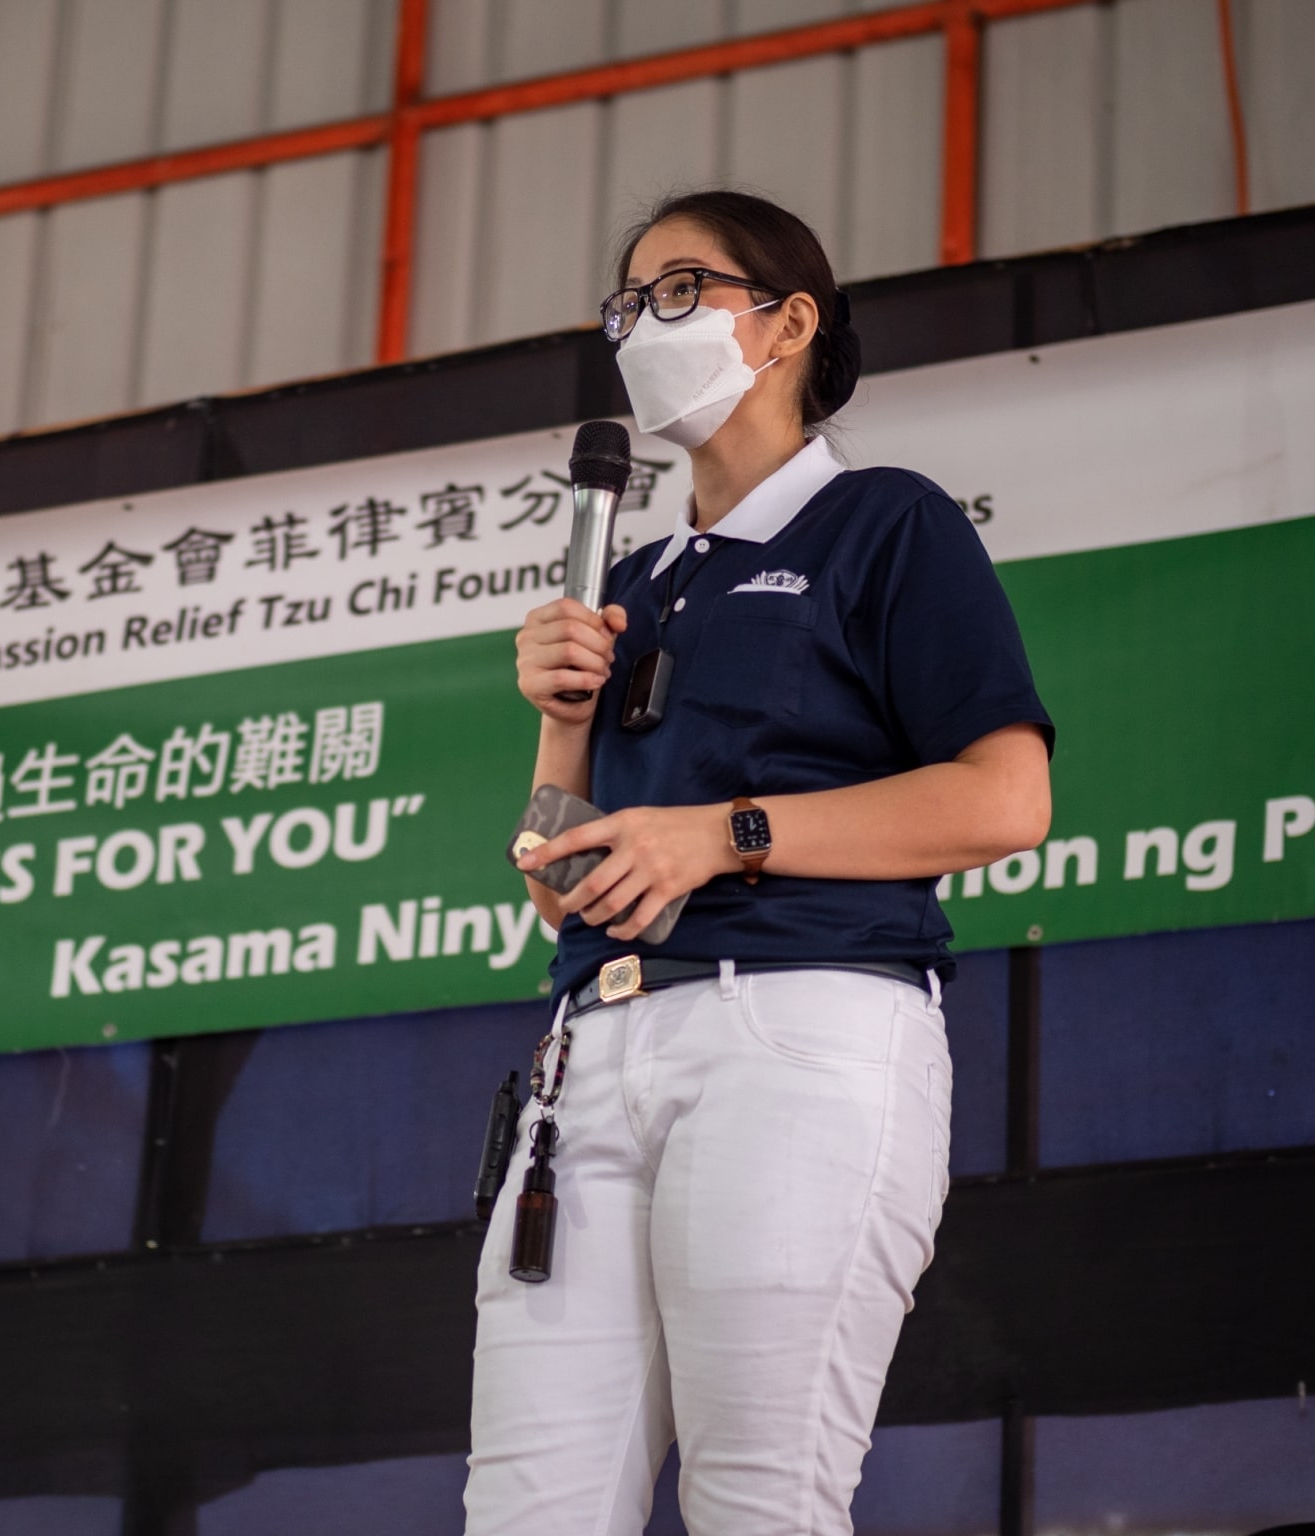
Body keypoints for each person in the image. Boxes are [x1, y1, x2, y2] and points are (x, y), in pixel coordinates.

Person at [464, 189, 1055, 1535]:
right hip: (590, 1060)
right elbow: (558, 874)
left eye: (681, 289)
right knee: (526, 1517)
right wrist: (561, 733)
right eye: (628, 303)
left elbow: (1007, 797)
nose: (643, 324)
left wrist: (722, 834)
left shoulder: (886, 526)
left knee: (759, 1504)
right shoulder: (636, 577)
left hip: (796, 1029)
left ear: (789, 321)